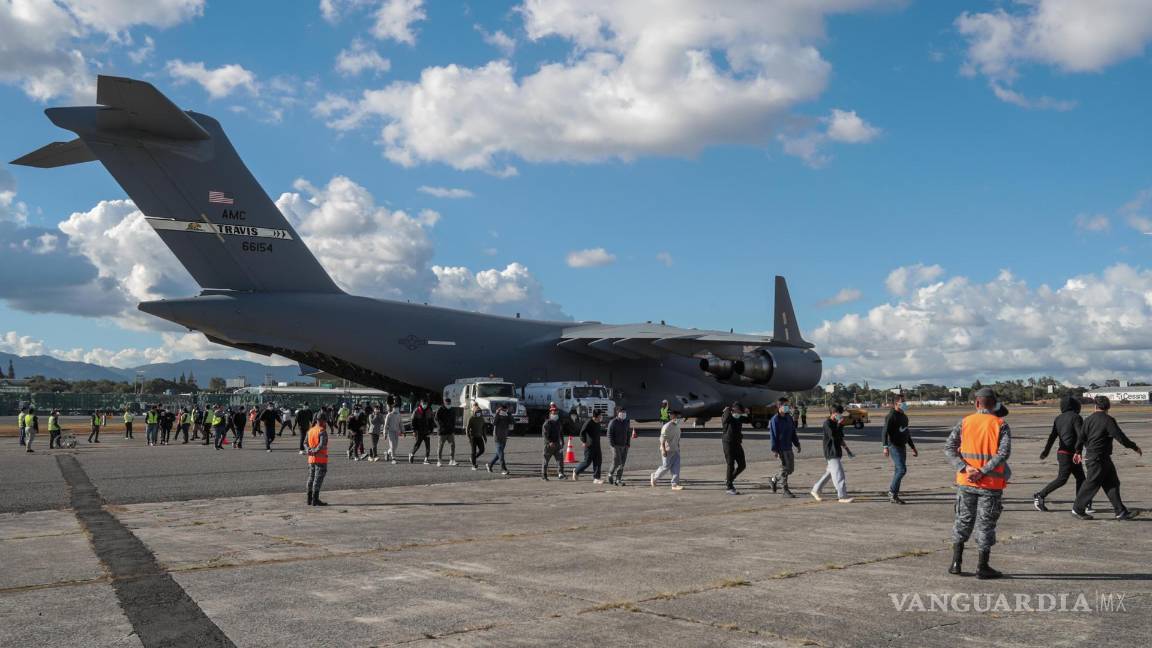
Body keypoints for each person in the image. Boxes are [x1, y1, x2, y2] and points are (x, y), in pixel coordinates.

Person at [944, 387, 1011, 579]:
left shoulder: (965, 422)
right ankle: (982, 566)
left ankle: (956, 563)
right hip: (990, 484)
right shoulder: (1001, 424)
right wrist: (983, 471)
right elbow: (1003, 453)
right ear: (994, 404)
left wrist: (964, 468)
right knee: (985, 525)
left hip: (966, 482)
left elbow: (949, 447)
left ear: (977, 403)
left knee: (963, 521)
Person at [1072, 396, 1143, 521]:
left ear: (1095, 406)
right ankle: (1077, 509)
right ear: (1108, 407)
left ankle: (1120, 512)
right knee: (1091, 484)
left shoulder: (1088, 420)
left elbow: (1081, 437)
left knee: (1112, 484)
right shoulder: (1108, 420)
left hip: (1100, 458)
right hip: (1097, 458)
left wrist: (1077, 451)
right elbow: (1120, 436)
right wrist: (1134, 447)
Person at [1034, 395, 1087, 512]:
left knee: (1081, 478)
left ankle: (1081, 503)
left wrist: (1046, 451)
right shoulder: (1076, 417)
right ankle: (1040, 495)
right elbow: (1080, 436)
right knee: (1062, 479)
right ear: (1076, 406)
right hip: (1070, 454)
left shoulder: (1058, 418)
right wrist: (1079, 451)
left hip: (1063, 452)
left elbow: (1052, 436)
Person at [811, 404, 854, 504]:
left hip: (837, 452)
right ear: (834, 413)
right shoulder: (827, 423)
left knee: (829, 473)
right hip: (831, 452)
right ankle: (842, 496)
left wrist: (847, 450)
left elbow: (840, 438)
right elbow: (833, 436)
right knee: (839, 474)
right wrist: (840, 424)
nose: (841, 416)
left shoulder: (837, 424)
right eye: (839, 414)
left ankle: (815, 490)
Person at [881, 399, 918, 504]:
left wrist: (913, 447)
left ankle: (894, 494)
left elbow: (906, 433)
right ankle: (892, 492)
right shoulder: (891, 416)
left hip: (902, 446)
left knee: (899, 470)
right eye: (902, 402)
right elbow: (884, 431)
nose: (905, 404)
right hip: (894, 446)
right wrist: (885, 446)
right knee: (902, 470)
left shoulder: (904, 417)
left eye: (905, 402)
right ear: (896, 404)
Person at [768, 397, 801, 498]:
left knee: (790, 469)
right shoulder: (775, 420)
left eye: (788, 405)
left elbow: (793, 433)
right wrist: (775, 449)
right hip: (780, 448)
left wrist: (797, 444)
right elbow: (773, 436)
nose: (788, 407)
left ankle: (774, 480)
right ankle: (785, 490)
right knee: (784, 468)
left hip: (788, 447)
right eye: (785, 405)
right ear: (779, 406)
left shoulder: (789, 418)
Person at [650, 408, 684, 490]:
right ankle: (654, 477)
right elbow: (662, 439)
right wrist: (663, 449)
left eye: (679, 416)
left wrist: (678, 447)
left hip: (675, 450)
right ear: (672, 416)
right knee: (666, 467)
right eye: (677, 416)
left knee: (676, 467)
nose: (679, 418)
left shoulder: (677, 426)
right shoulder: (667, 426)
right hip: (667, 450)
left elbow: (677, 438)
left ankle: (674, 484)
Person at [721, 402, 748, 495]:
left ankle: (729, 479)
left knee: (742, 465)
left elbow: (748, 418)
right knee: (730, 464)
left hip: (737, 443)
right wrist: (728, 410)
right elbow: (725, 420)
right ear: (734, 409)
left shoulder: (739, 417)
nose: (740, 413)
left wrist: (746, 412)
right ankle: (729, 486)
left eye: (741, 411)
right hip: (728, 443)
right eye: (738, 411)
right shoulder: (727, 416)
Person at [572, 410, 605, 483]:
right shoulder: (589, 422)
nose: (601, 417)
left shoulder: (598, 423)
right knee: (587, 462)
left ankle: (596, 478)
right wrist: (584, 441)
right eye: (600, 415)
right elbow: (582, 433)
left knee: (598, 461)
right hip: (589, 446)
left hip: (597, 445)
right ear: (597, 416)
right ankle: (576, 470)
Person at [305, 418, 329, 506]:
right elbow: (322, 444)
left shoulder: (310, 430)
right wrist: (315, 451)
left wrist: (309, 450)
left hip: (311, 459)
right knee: (317, 479)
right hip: (320, 458)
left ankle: (309, 499)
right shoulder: (322, 431)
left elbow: (305, 443)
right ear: (322, 421)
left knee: (311, 477)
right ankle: (315, 499)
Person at [606, 407, 631, 486]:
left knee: (622, 463)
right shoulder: (613, 422)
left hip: (624, 445)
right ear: (618, 413)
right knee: (618, 461)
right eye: (622, 412)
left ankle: (618, 479)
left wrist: (628, 443)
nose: (623, 414)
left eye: (624, 412)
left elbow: (628, 433)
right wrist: (612, 444)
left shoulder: (626, 422)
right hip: (615, 445)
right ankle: (610, 474)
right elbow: (609, 434)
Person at [541, 404, 566, 480]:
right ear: (550, 412)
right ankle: (544, 475)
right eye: (553, 411)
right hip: (549, 445)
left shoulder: (558, 422)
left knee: (560, 460)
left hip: (557, 444)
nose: (555, 412)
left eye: (556, 411)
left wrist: (562, 441)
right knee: (546, 460)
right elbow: (544, 435)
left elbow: (561, 433)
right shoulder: (547, 423)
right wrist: (549, 442)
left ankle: (560, 474)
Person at [487, 403, 512, 474]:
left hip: (504, 437)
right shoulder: (497, 416)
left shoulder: (507, 416)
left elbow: (513, 422)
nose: (503, 411)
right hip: (497, 437)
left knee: (499, 454)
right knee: (501, 454)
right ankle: (503, 469)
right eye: (502, 410)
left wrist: (509, 413)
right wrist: (497, 414)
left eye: (505, 409)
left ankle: (490, 465)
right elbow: (494, 423)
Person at [409, 398, 433, 464]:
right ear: (420, 403)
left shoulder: (429, 410)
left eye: (426, 404)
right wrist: (414, 430)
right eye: (423, 404)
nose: (425, 405)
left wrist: (431, 430)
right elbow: (412, 421)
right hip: (419, 431)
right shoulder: (416, 411)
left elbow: (431, 421)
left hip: (427, 431)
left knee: (428, 445)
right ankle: (412, 454)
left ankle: (426, 459)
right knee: (417, 444)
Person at [436, 397, 457, 466]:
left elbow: (454, 420)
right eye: (447, 403)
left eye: (449, 403)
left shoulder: (452, 409)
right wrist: (440, 426)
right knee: (441, 446)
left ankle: (452, 460)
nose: (448, 404)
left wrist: (453, 429)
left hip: (450, 431)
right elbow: (436, 419)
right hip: (442, 432)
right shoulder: (440, 409)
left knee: (452, 445)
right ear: (444, 403)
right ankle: (439, 461)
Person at [466, 403, 487, 470]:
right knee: (473, 451)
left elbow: (483, 428)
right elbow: (467, 429)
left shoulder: (481, 418)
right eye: (477, 412)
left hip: (479, 436)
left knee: (482, 450)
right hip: (473, 437)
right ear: (474, 412)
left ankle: (473, 458)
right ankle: (474, 465)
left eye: (480, 412)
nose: (479, 413)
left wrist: (484, 437)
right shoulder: (471, 418)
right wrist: (469, 437)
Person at [384, 398, 402, 463]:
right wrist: (385, 434)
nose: (397, 409)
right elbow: (385, 425)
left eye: (398, 408)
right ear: (393, 408)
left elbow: (401, 423)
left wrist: (403, 431)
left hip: (396, 432)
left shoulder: (399, 415)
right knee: (392, 445)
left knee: (395, 446)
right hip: (390, 432)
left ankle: (387, 453)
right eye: (396, 408)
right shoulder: (389, 415)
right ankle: (393, 459)